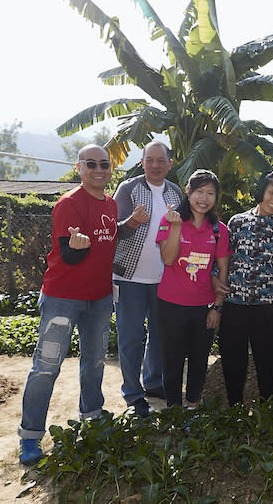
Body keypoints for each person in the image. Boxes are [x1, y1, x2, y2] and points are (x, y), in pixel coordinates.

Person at [18, 145, 117, 465]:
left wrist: (130, 223)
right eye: (91, 164)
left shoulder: (112, 205)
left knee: (95, 362)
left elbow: (109, 239)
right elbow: (71, 255)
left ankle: (91, 415)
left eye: (104, 164)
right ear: (79, 168)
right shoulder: (68, 204)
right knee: (46, 367)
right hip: (63, 298)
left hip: (100, 298)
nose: (98, 169)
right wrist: (76, 246)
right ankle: (31, 436)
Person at [112, 141, 183, 414]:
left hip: (164, 278)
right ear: (142, 162)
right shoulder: (128, 189)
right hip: (129, 278)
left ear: (170, 164)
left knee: (159, 335)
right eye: (149, 160)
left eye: (161, 161)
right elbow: (113, 231)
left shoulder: (175, 192)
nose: (155, 165)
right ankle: (132, 392)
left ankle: (153, 382)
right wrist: (131, 223)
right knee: (130, 337)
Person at [156, 169, 232, 409]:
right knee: (172, 360)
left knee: (200, 360)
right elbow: (168, 259)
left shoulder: (219, 229)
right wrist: (176, 227)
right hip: (170, 303)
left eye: (210, 193)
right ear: (188, 191)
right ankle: (173, 408)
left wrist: (217, 308)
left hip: (204, 306)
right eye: (199, 191)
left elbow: (223, 271)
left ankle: (192, 407)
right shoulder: (170, 219)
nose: (204, 198)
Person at [218, 171, 273, 406]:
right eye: (271, 192)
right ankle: (234, 404)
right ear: (261, 192)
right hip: (235, 301)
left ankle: (267, 405)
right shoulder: (237, 221)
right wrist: (219, 284)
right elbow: (225, 257)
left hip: (268, 303)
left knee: (267, 358)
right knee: (233, 357)